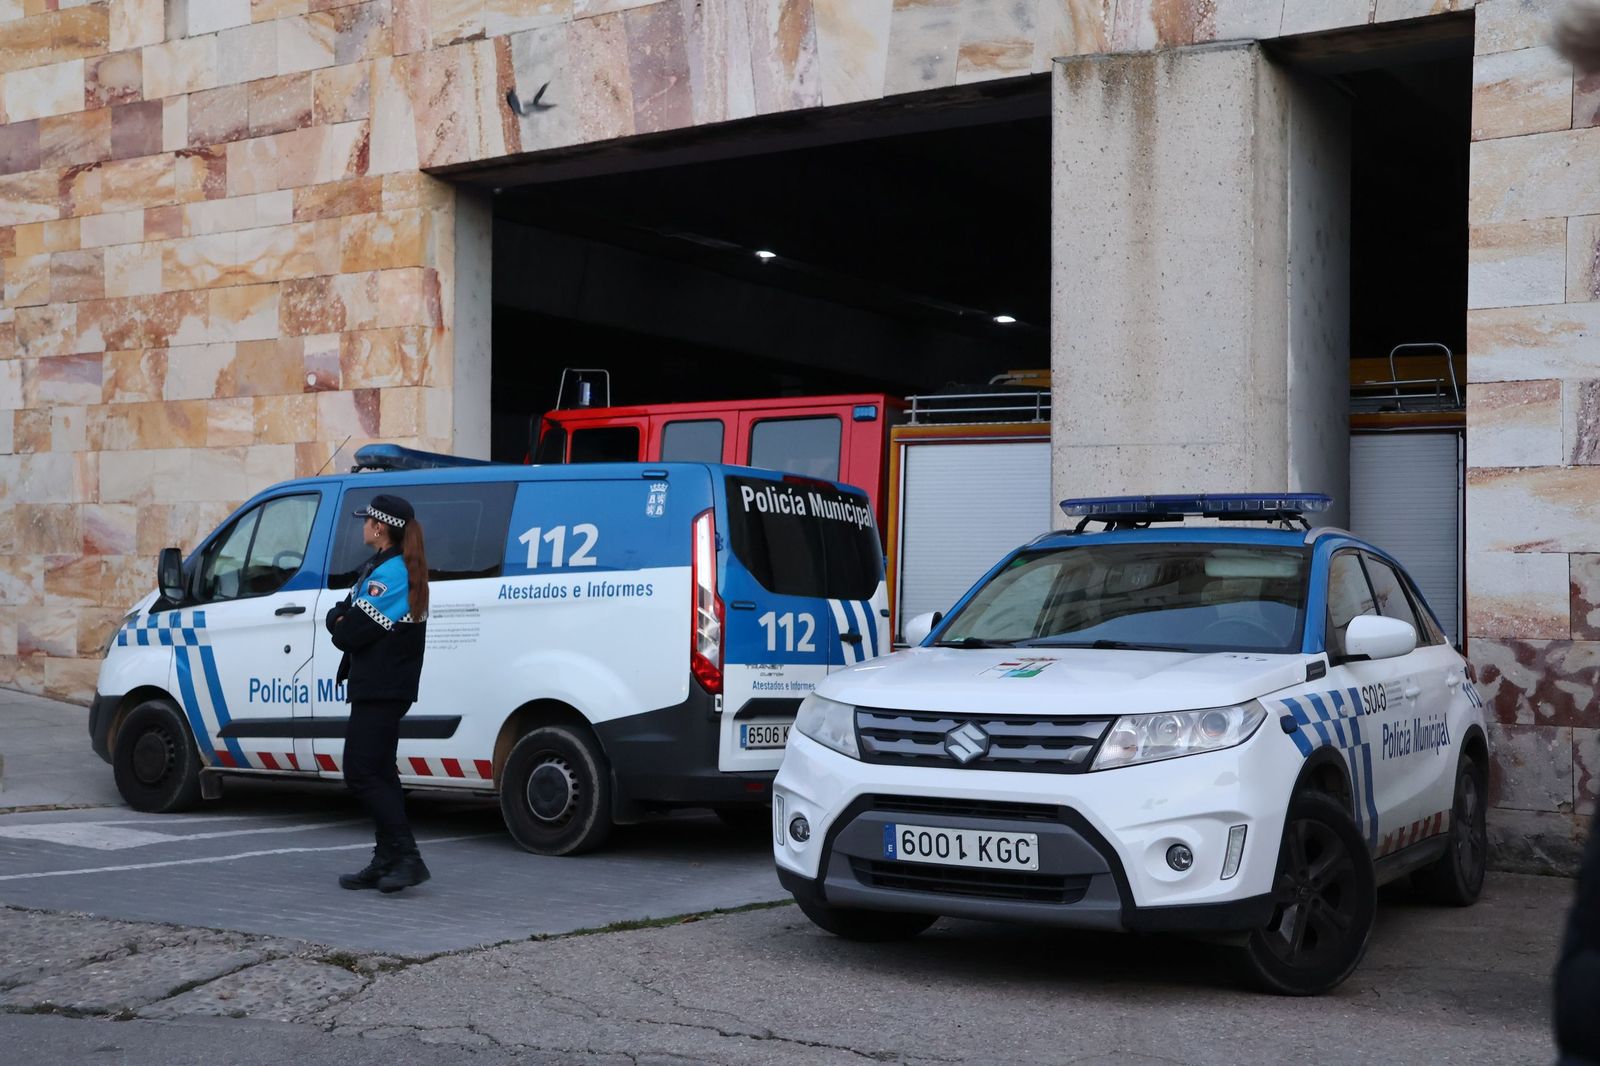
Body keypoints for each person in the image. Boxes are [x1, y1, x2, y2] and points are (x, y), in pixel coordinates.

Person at [326, 493, 431, 894]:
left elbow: (348, 631)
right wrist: (340, 616)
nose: (363, 525)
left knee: (361, 771)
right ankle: (387, 858)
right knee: (381, 772)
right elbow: (342, 613)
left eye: (366, 520)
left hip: (382, 688)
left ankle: (408, 857)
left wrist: (339, 620)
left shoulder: (391, 575)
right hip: (382, 686)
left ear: (380, 527)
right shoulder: (385, 567)